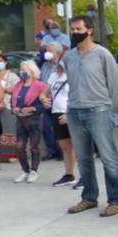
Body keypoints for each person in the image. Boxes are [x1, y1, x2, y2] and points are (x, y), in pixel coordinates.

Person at [64, 16, 118, 217]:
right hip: (75, 111)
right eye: (72, 29)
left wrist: (109, 109)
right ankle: (89, 197)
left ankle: (116, 200)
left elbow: (114, 84)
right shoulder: (69, 57)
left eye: (79, 28)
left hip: (98, 110)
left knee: (108, 157)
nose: (75, 32)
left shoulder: (102, 54)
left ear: (89, 30)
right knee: (83, 158)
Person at [41, 46, 77, 187]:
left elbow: (79, 96)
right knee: (65, 147)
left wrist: (69, 114)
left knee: (79, 147)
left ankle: (86, 177)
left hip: (71, 113)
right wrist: (44, 99)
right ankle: (69, 174)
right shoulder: (54, 75)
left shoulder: (75, 75)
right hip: (56, 112)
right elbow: (43, 93)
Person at [10, 61, 47, 183]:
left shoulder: (40, 86)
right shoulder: (17, 85)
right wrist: (14, 108)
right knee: (19, 146)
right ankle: (25, 170)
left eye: (24, 70)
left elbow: (46, 104)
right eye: (20, 70)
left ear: (32, 71)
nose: (21, 72)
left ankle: (34, 171)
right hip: (20, 119)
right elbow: (12, 101)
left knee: (34, 146)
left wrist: (32, 108)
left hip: (34, 119)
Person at [0, 54, 21, 162]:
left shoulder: (12, 76)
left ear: (6, 62)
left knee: (9, 131)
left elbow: (19, 89)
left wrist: (7, 90)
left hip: (8, 106)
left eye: (1, 60)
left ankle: (12, 155)